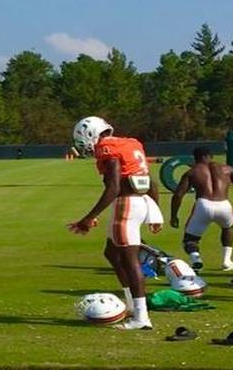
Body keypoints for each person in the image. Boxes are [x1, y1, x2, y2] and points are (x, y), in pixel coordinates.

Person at [68, 116, 163, 331]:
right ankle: (132, 304)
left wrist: (87, 217)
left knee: (130, 260)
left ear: (91, 133)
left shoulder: (107, 148)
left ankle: (141, 316)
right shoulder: (129, 143)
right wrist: (155, 209)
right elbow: (150, 181)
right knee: (112, 253)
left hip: (127, 206)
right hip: (138, 202)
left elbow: (113, 187)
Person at [169, 146, 233, 272]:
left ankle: (196, 260)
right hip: (224, 204)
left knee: (190, 239)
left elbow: (178, 195)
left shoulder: (192, 171)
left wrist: (174, 216)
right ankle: (226, 261)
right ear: (211, 156)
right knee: (228, 228)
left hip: (203, 204)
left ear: (195, 158)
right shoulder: (227, 169)